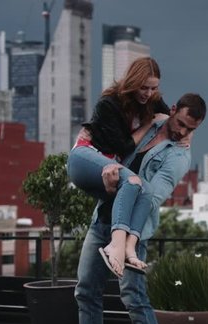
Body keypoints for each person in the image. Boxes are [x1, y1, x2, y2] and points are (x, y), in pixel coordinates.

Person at [75, 93, 207, 324]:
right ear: (172, 110)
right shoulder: (151, 123)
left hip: (134, 231)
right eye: (181, 123)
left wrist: (125, 238)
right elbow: (118, 137)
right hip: (102, 219)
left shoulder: (179, 157)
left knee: (134, 298)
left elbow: (151, 198)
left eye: (191, 129)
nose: (183, 132)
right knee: (86, 292)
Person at [68, 57, 169, 278]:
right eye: (144, 87)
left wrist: (188, 137)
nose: (148, 93)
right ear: (133, 82)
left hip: (110, 167)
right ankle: (116, 245)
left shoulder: (152, 101)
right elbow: (122, 146)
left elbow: (172, 120)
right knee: (133, 182)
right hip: (86, 157)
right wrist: (149, 123)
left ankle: (128, 249)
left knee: (146, 190)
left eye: (154, 88)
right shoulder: (109, 103)